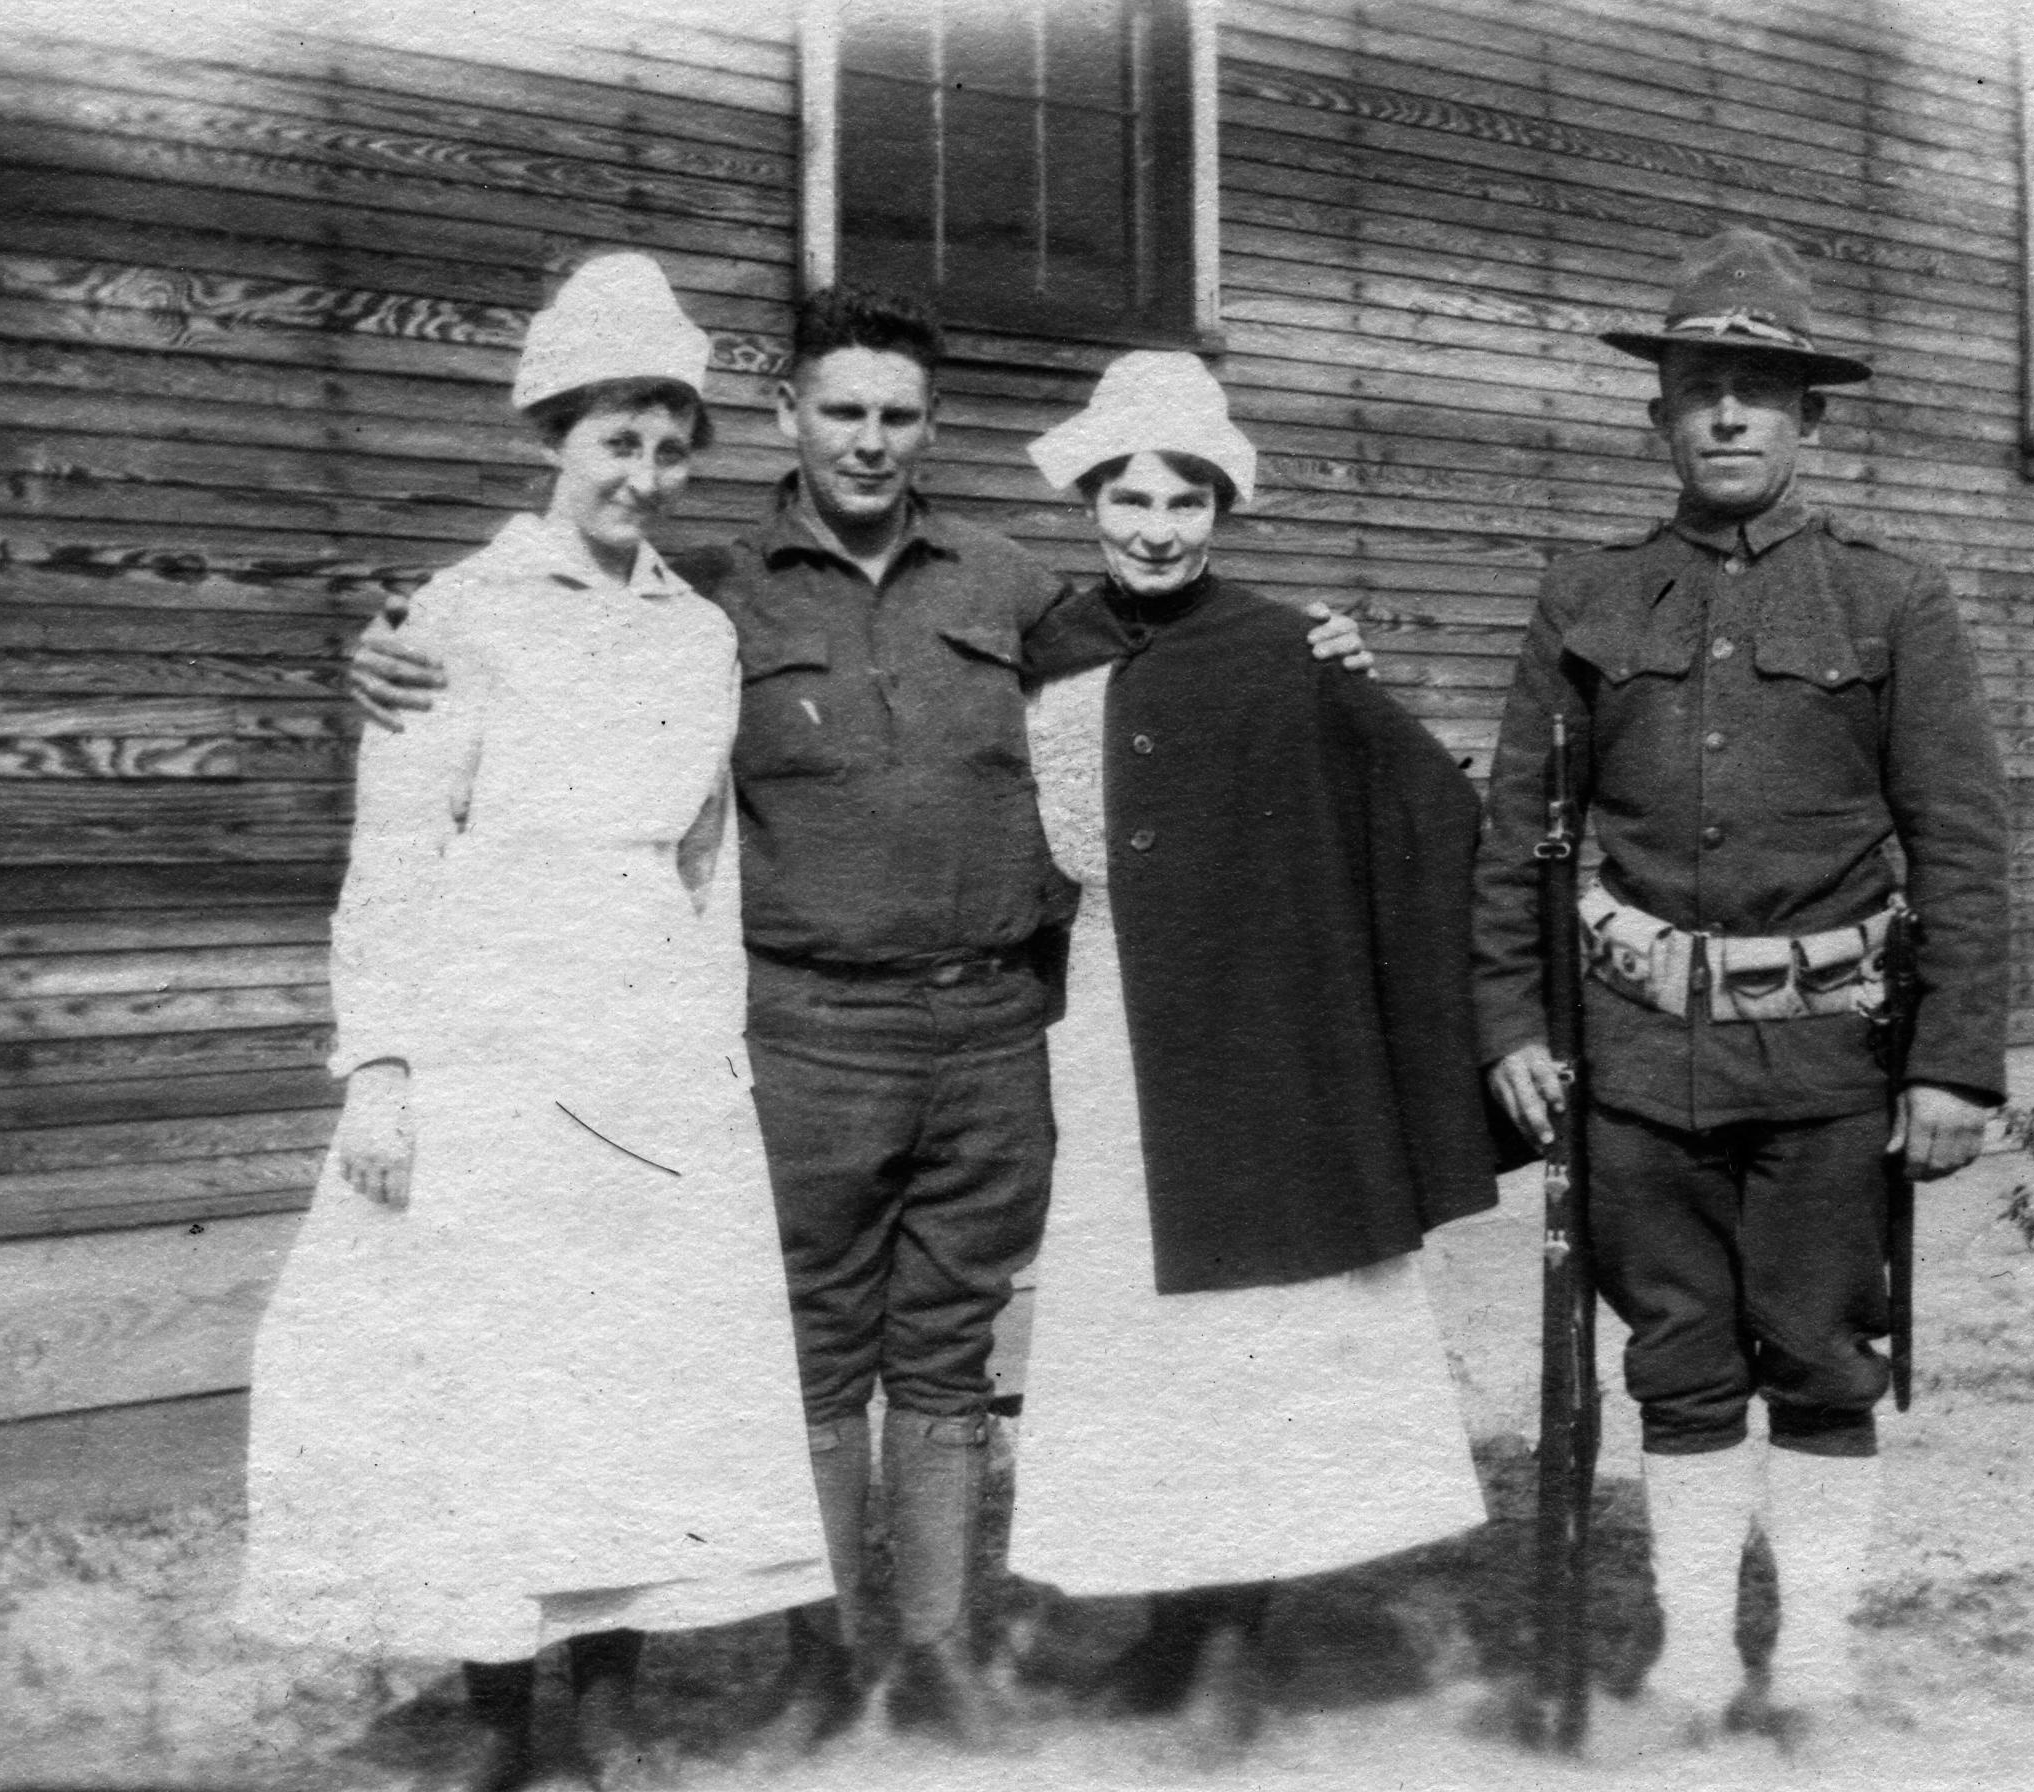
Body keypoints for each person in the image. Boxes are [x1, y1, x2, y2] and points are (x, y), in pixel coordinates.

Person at [344, 287, 1370, 1750]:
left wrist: (1312, 648)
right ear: (788, 420)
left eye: (899, 414)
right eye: (844, 411)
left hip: (992, 1026)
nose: (872, 441)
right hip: (806, 1029)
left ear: (930, 427)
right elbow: (541, 645)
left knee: (950, 1346)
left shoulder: (1019, 591)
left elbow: (1176, 655)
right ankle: (818, 1661)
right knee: (812, 1347)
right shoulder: (703, 592)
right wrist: (385, 648)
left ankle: (938, 1656)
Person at [234, 253, 832, 1792]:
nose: (642, 473)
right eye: (612, 442)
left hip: (646, 1039)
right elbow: (394, 854)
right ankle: (501, 1715)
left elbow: (707, 868)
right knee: (495, 1369)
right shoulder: (457, 613)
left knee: (632, 1363)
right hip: (493, 1019)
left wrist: (712, 1057)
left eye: (669, 445)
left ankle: (615, 1706)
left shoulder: (699, 632)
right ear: (553, 442)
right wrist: (378, 1066)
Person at [1472, 227, 2009, 1743]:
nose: (1726, 419)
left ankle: (1821, 1658)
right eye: (1701, 389)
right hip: (1636, 1058)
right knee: (1681, 1365)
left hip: (1832, 1056)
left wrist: (1954, 1061)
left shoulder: (1892, 603)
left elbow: (1962, 843)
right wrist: (1511, 1022)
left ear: (1810, 421)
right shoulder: (1588, 600)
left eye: (1759, 394)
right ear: (1658, 418)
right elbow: (1521, 836)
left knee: (1826, 1362)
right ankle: (1700, 1652)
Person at [1002, 352, 1509, 1756]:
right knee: (1131, 1347)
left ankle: (1232, 1642)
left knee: (1249, 1349)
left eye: (1184, 499)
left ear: (1221, 507)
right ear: (1090, 500)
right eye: (1128, 497)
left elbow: (1429, 816)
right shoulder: (1049, 645)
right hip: (1102, 1032)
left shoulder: (1291, 650)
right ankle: (1163, 1633)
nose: (1155, 527)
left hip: (1257, 1049)